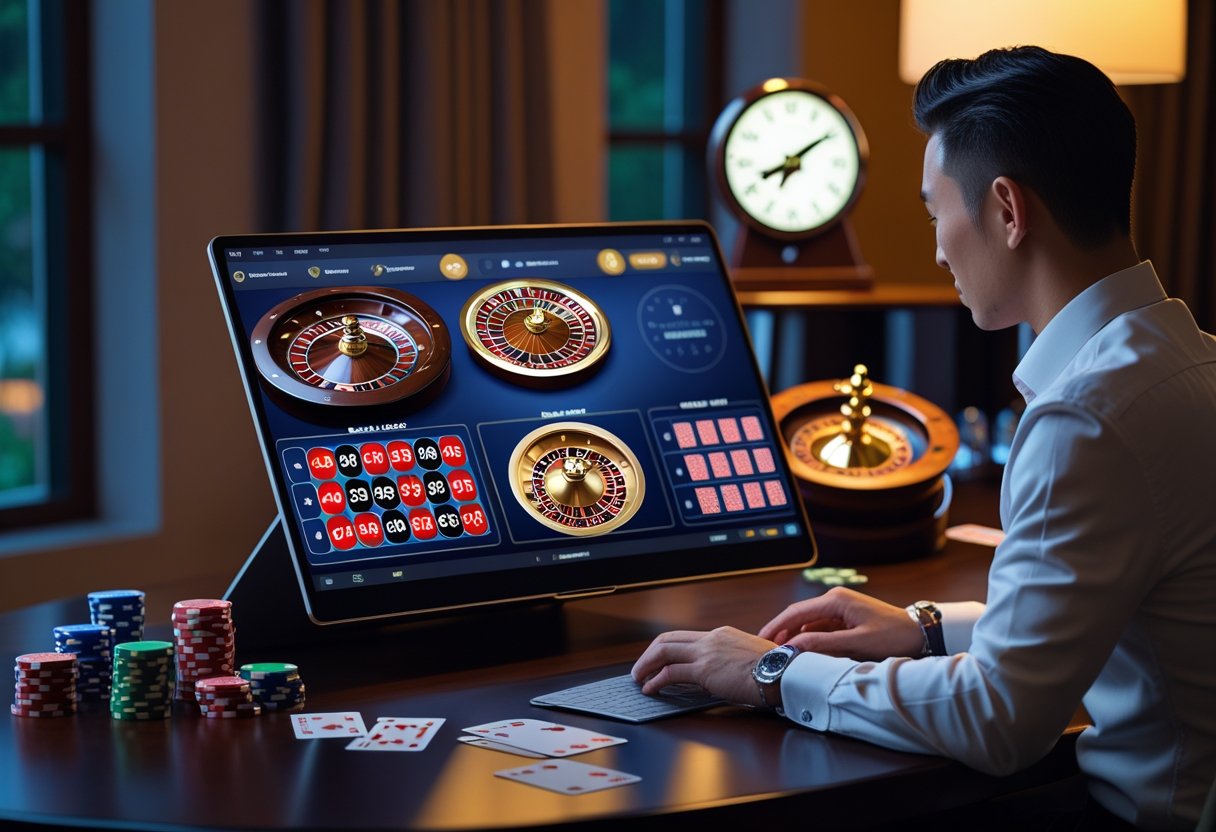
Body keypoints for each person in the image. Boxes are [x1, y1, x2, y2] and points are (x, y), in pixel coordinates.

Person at [632, 45, 1216, 831]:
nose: (938, 245)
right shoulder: (1190, 362)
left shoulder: (1087, 418)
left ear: (1007, 211)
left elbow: (998, 718)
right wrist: (924, 628)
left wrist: (770, 670)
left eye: (935, 208)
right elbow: (1129, 601)